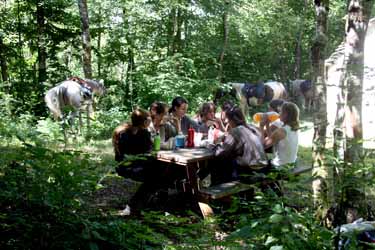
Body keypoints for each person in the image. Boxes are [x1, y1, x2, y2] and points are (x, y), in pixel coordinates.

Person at [112, 108, 166, 213]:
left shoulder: (123, 131)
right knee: (157, 174)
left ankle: (151, 200)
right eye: (149, 120)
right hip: (131, 167)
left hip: (124, 165)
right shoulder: (142, 133)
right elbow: (149, 153)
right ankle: (133, 205)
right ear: (145, 121)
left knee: (160, 170)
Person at [210, 106, 268, 184]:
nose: (226, 121)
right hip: (264, 168)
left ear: (232, 120)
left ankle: (220, 189)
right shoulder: (251, 127)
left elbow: (220, 153)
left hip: (250, 171)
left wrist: (214, 145)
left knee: (220, 163)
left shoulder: (235, 131)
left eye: (228, 119)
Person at [260, 101, 299, 168]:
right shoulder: (294, 128)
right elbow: (272, 138)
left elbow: (263, 146)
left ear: (286, 114)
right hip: (291, 164)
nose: (279, 113)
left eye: (281, 111)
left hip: (281, 167)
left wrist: (261, 127)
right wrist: (267, 125)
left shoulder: (281, 131)